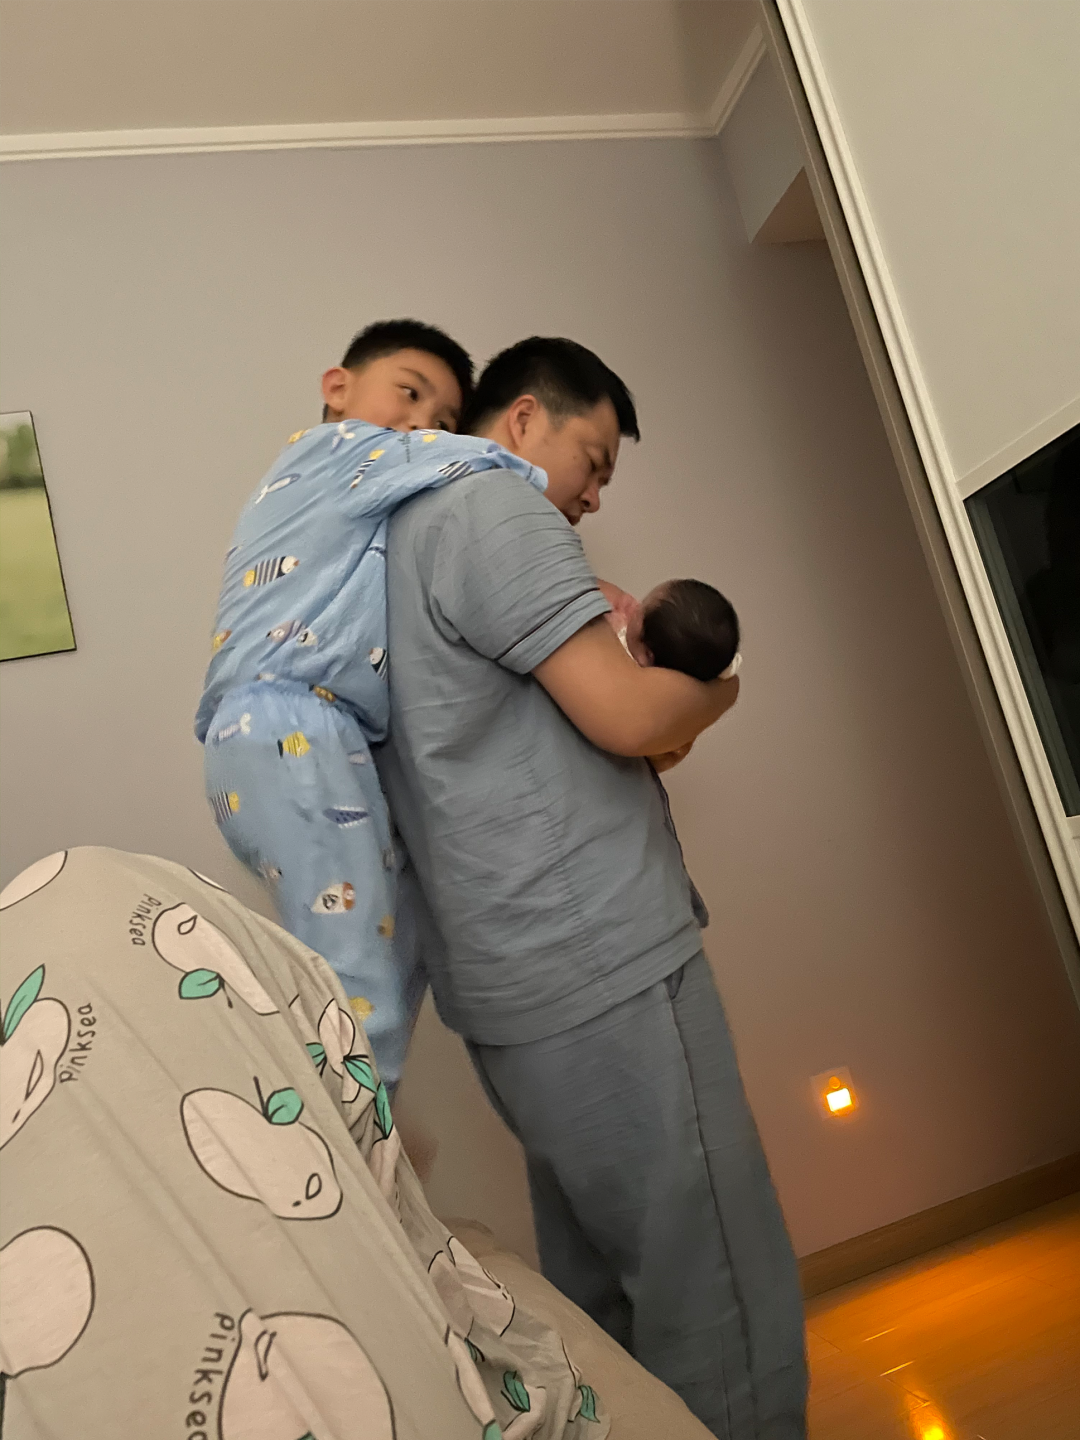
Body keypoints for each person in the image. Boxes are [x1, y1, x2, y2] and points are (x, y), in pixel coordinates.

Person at [375, 337, 808, 1438]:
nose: (595, 495)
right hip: (600, 957)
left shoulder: (395, 534)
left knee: (600, 1297)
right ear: (524, 419)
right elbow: (627, 719)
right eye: (594, 460)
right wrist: (720, 689)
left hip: (509, 984)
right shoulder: (493, 506)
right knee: (716, 1286)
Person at [194, 319, 545, 1090]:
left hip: (299, 732)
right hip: (288, 720)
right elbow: (482, 470)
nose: (422, 423)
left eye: (442, 416)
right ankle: (350, 1135)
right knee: (355, 975)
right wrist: (539, 470)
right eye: (409, 394)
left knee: (394, 942)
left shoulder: (360, 497)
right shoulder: (336, 451)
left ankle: (358, 1113)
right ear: (338, 387)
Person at [605, 577, 741, 682]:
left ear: (646, 656)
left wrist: (610, 633)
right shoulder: (713, 664)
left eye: (640, 610)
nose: (635, 606)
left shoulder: (623, 665)